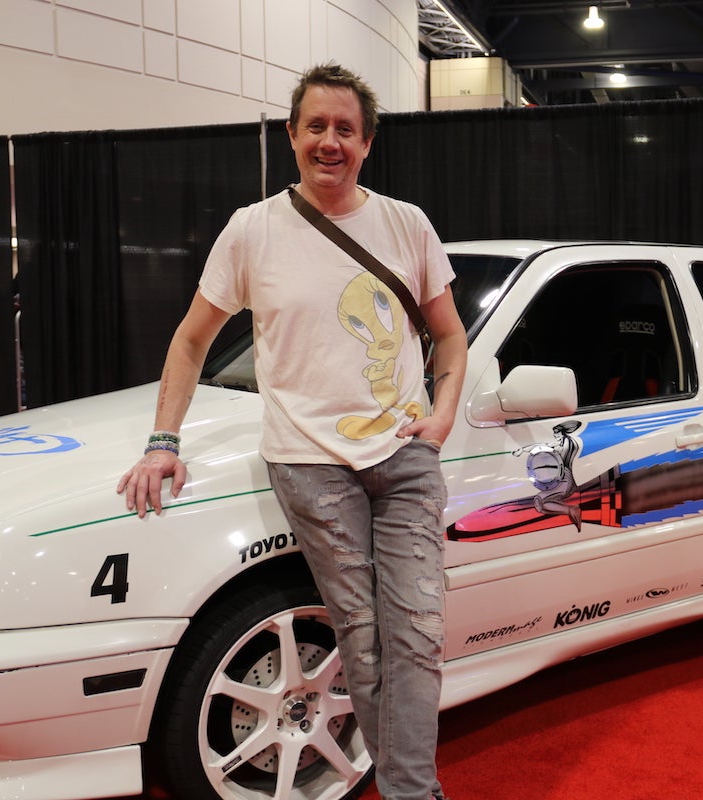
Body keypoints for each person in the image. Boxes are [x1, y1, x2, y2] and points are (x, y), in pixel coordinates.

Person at [117, 62, 467, 800]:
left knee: (419, 634)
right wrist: (162, 442)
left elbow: (451, 337)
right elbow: (190, 340)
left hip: (405, 459)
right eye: (317, 127)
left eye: (345, 129)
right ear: (292, 136)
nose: (330, 141)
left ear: (368, 141)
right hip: (311, 466)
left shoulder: (407, 224)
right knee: (365, 638)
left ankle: (409, 790)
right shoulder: (254, 230)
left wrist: (438, 418)